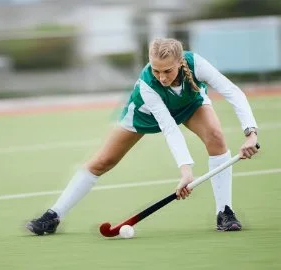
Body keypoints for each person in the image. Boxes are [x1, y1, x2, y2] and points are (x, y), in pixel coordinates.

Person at [26, 38, 259, 236]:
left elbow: (232, 91)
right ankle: (54, 215)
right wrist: (186, 170)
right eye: (156, 70)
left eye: (167, 71)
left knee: (216, 137)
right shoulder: (149, 85)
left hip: (189, 103)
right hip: (144, 114)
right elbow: (169, 128)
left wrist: (251, 133)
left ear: (179, 62)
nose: (162, 77)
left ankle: (225, 212)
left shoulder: (196, 63)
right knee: (102, 162)